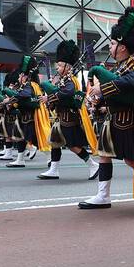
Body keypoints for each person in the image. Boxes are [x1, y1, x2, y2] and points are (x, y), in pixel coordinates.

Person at [79, 8, 134, 210]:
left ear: (123, 47)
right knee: (104, 154)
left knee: (132, 160)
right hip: (117, 120)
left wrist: (101, 86)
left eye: (113, 43)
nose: (110, 47)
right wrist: (101, 103)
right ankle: (103, 195)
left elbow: (128, 83)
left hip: (132, 122)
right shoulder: (125, 64)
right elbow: (119, 90)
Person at [36, 40, 100, 181]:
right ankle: (53, 170)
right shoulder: (63, 79)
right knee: (55, 142)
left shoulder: (70, 80)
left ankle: (93, 165)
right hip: (62, 117)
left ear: (67, 66)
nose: (57, 67)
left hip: (69, 118)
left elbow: (68, 92)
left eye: (59, 65)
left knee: (73, 145)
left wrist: (51, 96)